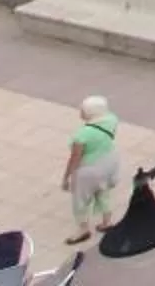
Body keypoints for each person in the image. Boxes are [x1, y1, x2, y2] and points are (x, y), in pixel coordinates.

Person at [62, 94, 122, 244]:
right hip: (109, 161)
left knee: (80, 200)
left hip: (89, 170)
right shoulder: (112, 119)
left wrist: (67, 177)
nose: (80, 111)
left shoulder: (82, 135)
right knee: (103, 191)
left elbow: (75, 159)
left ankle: (83, 230)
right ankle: (106, 222)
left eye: (83, 109)